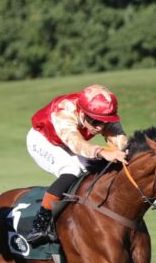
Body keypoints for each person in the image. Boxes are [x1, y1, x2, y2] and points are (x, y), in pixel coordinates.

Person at [25, 84, 129, 245]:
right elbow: (76, 144)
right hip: (43, 140)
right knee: (71, 170)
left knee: (101, 168)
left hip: (71, 142)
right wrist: (103, 152)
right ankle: (40, 224)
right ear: (81, 112)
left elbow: (122, 142)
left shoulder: (102, 115)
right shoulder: (64, 111)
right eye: (95, 121)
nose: (99, 127)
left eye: (105, 122)